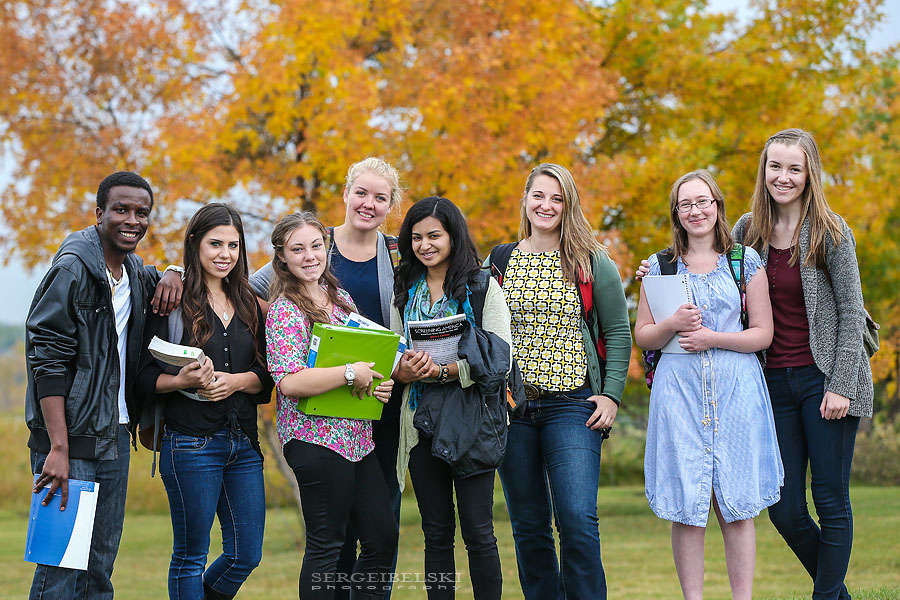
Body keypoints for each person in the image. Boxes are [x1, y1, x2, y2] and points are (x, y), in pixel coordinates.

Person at [250, 157, 404, 600]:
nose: (310, 256)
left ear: (326, 246)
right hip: (315, 439)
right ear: (281, 256)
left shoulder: (341, 297)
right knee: (327, 546)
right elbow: (290, 382)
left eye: (315, 246)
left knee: (382, 539)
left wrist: (377, 381)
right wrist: (350, 372)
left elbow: (364, 360)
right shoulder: (284, 307)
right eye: (297, 249)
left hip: (359, 437)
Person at [24, 171, 181, 599]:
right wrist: (57, 449)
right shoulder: (72, 270)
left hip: (113, 437)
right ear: (99, 214)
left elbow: (168, 279)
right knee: (60, 571)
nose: (132, 220)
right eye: (121, 210)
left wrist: (174, 269)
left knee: (98, 570)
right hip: (68, 442)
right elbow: (47, 362)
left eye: (141, 212)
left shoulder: (132, 272)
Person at [735, 129, 873, 599]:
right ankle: (839, 595)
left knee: (831, 500)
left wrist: (841, 384)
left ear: (809, 173)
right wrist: (659, 269)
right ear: (764, 170)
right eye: (776, 166)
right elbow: (705, 271)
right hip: (771, 384)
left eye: (794, 168)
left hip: (826, 381)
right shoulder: (745, 232)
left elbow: (853, 312)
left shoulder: (832, 232)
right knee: (785, 508)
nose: (784, 177)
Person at [485, 163, 632, 600]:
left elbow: (618, 332)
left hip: (574, 404)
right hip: (513, 409)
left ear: (569, 205)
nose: (546, 205)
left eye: (557, 198)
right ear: (525, 200)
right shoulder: (499, 260)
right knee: (529, 527)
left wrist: (612, 395)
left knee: (577, 519)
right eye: (539, 196)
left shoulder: (590, 261)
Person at [634, 170, 783, 600]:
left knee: (735, 505)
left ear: (717, 206)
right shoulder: (659, 266)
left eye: (703, 202)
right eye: (686, 204)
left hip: (736, 393)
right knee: (687, 506)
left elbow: (762, 334)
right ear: (676, 214)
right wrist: (673, 325)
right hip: (678, 395)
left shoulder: (744, 262)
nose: (695, 211)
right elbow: (644, 334)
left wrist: (712, 338)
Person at [136, 203, 273, 599]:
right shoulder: (171, 301)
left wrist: (236, 382)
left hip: (244, 444)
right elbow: (142, 377)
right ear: (195, 243)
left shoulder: (251, 303)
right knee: (191, 555)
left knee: (245, 555)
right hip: (190, 443)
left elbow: (268, 378)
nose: (225, 254)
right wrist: (179, 380)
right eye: (215, 243)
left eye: (233, 245)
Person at [390, 196, 512, 600]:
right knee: (436, 533)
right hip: (420, 419)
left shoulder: (482, 286)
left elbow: (500, 358)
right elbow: (392, 349)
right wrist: (405, 367)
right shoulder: (405, 290)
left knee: (479, 531)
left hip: (473, 420)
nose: (425, 244)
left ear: (453, 236)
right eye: (417, 237)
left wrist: (447, 370)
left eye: (434, 236)